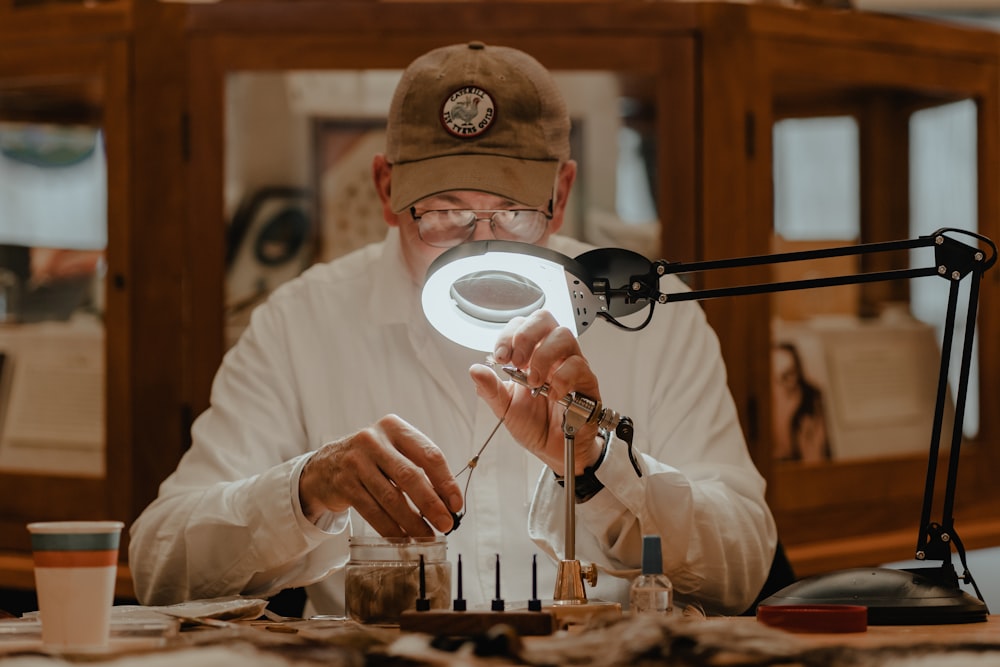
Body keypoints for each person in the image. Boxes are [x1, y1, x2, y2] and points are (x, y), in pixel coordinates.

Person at [129, 41, 777, 616]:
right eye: (444, 214)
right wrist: (306, 487)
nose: (481, 248)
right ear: (387, 190)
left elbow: (741, 570)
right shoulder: (303, 321)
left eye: (515, 213)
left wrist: (599, 461)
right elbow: (160, 563)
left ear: (562, 190)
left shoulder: (649, 313)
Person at [771, 342, 830, 463]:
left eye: (787, 375)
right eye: (773, 378)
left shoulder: (812, 402)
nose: (780, 385)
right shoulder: (764, 404)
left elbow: (816, 456)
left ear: (798, 372)